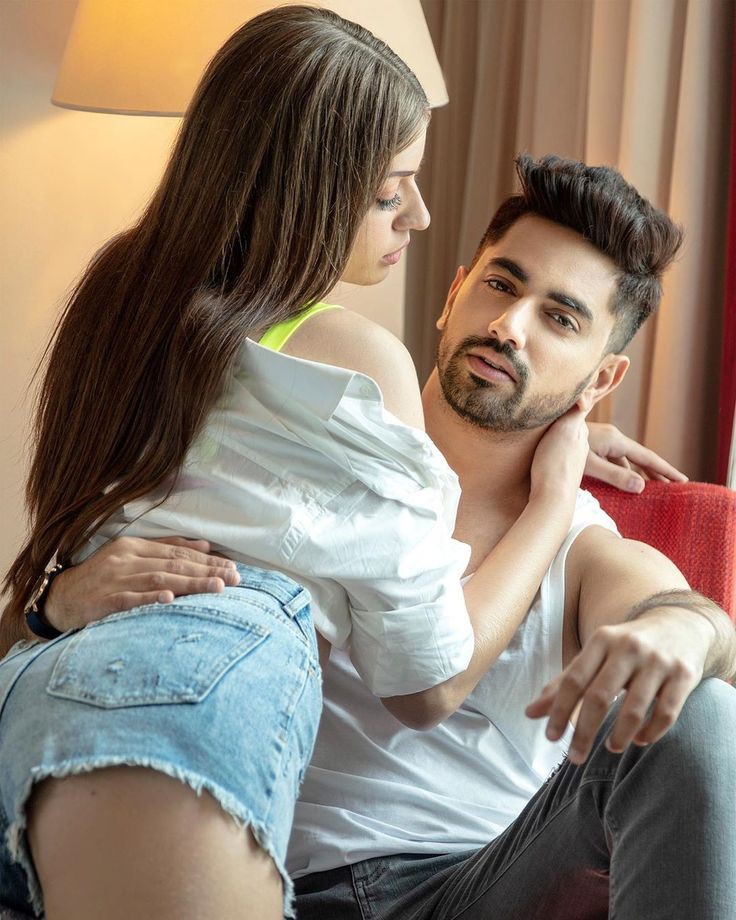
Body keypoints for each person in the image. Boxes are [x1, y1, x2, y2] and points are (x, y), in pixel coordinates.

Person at [0, 10, 631, 920]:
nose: (419, 215)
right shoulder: (355, 356)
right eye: (389, 192)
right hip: (200, 700)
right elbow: (430, 680)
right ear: (307, 190)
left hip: (41, 700)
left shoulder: (121, 297)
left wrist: (52, 601)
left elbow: (49, 563)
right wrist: (554, 493)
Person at [52, 156, 736, 918]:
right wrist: (60, 597)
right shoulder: (308, 448)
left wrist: (684, 628)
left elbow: (671, 608)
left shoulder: (579, 543)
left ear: (601, 379)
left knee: (704, 713)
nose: (509, 327)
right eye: (501, 285)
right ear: (453, 294)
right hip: (256, 881)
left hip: (474, 890)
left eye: (560, 319)